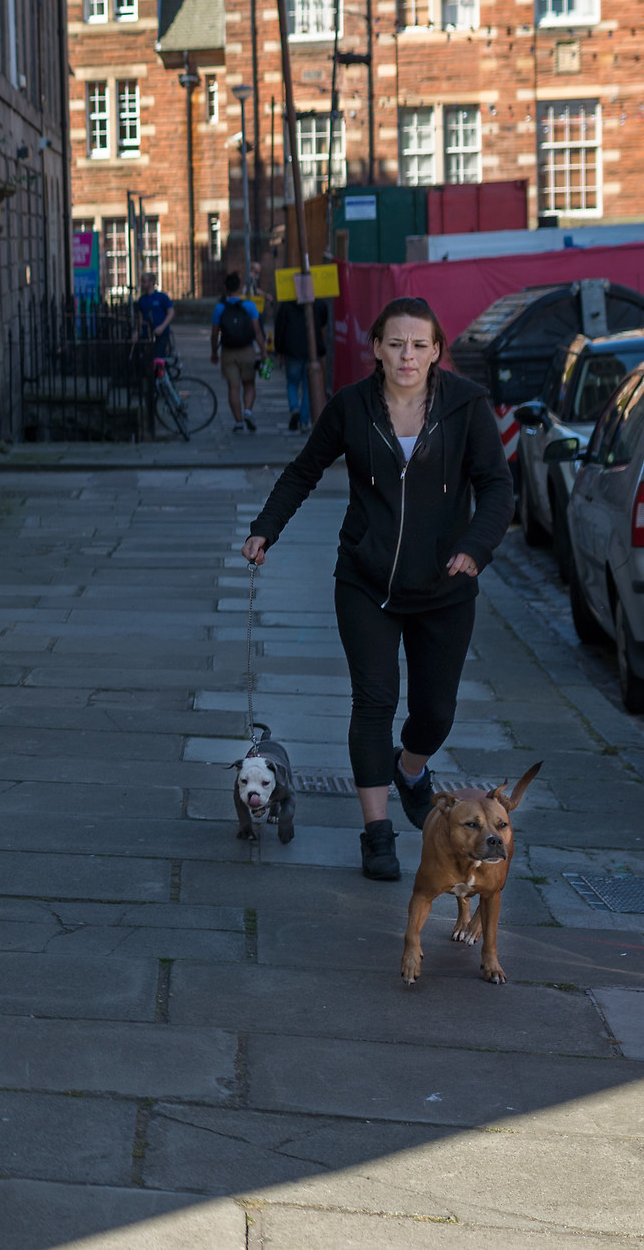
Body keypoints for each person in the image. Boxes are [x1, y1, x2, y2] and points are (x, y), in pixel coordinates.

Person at [239, 297, 512, 881]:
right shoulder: (352, 407)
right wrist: (266, 528)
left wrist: (475, 546)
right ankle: (377, 833)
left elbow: (496, 488)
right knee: (374, 701)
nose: (406, 355)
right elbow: (302, 470)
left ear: (436, 350)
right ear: (377, 349)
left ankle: (410, 770)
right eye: (395, 344)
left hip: (446, 586)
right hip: (366, 581)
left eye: (418, 344)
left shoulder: (466, 406)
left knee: (434, 713)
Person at [210, 271, 262, 432]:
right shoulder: (249, 306)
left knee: (233, 387)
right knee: (249, 383)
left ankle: (238, 422)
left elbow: (214, 334)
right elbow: (257, 331)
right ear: (240, 287)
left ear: (225, 288)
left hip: (228, 352)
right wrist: (264, 351)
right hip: (247, 350)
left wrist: (214, 352)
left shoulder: (219, 308)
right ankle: (247, 410)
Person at [273, 291, 330, 431]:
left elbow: (279, 329)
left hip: (292, 350)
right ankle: (304, 421)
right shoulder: (318, 304)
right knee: (307, 386)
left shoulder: (286, 306)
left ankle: (294, 409)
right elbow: (323, 326)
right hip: (311, 351)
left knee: (292, 383)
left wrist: (279, 350)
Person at [135, 272, 177, 369]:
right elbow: (140, 318)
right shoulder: (142, 300)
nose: (142, 284)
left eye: (144, 281)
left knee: (158, 358)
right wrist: (137, 331)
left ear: (151, 282)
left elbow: (171, 313)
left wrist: (162, 327)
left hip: (161, 333)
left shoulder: (162, 297)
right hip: (147, 335)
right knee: (147, 360)